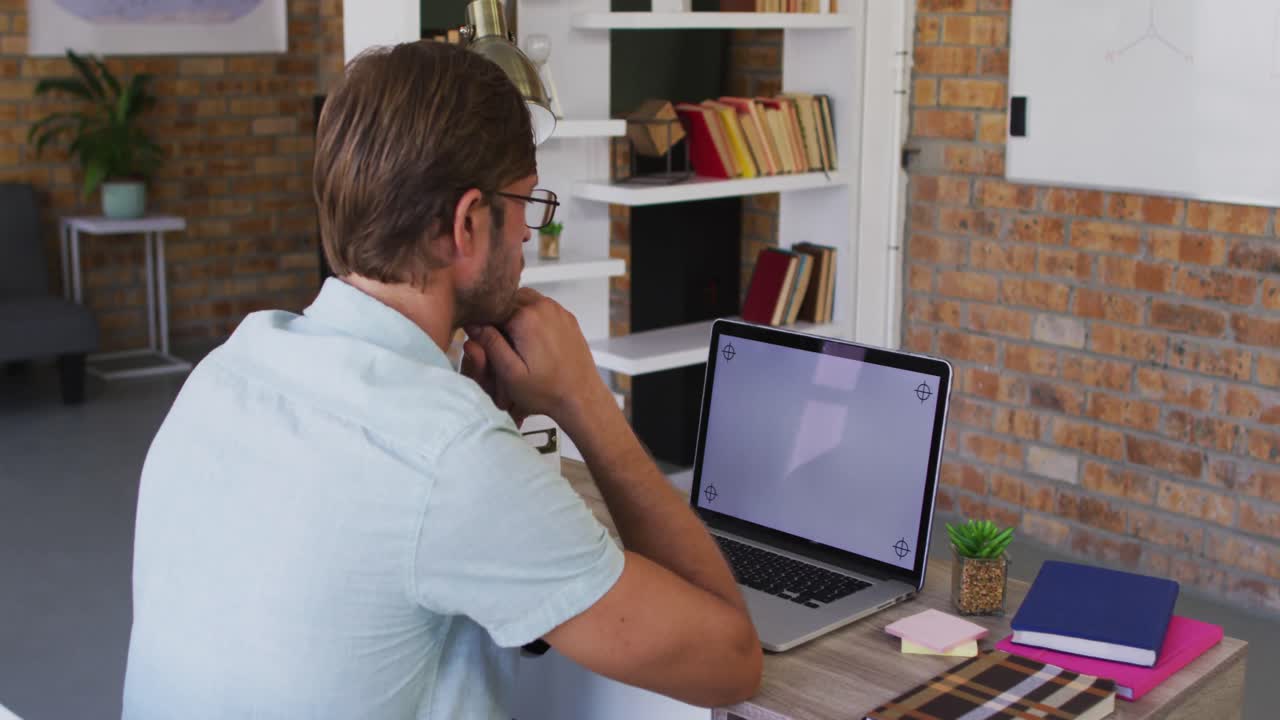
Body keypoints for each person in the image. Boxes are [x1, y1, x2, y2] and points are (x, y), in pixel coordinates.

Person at [121, 40, 761, 719]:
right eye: (524, 204)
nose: (525, 237)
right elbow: (731, 663)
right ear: (466, 224)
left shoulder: (228, 368)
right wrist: (585, 402)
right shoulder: (451, 457)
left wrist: (483, 432)